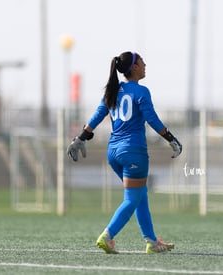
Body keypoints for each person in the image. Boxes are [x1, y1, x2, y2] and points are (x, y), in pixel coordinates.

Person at [66, 51, 182, 254]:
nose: (145, 65)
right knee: (132, 199)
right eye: (143, 62)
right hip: (134, 152)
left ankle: (152, 242)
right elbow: (152, 119)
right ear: (134, 67)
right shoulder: (141, 92)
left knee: (140, 195)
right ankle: (107, 236)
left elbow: (96, 116)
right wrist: (171, 139)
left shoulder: (113, 91)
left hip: (114, 153)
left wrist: (80, 138)